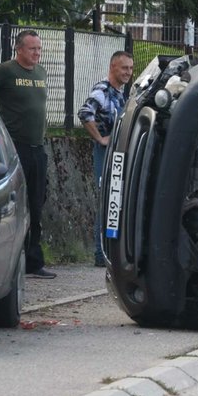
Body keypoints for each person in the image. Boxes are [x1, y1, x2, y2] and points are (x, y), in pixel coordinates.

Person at [0, 30, 55, 278]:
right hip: (14, 147)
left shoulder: (40, 73)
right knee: (14, 204)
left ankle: (33, 259)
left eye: (39, 49)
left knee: (36, 203)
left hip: (37, 148)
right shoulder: (5, 71)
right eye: (32, 49)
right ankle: (10, 257)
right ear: (19, 49)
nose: (37, 54)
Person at [77, 50, 134, 266]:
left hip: (117, 152)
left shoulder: (120, 92)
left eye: (130, 68)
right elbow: (84, 113)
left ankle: (111, 253)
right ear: (113, 68)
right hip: (105, 152)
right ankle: (101, 256)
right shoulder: (102, 90)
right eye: (124, 68)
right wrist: (100, 139)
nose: (128, 72)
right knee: (107, 200)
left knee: (115, 200)